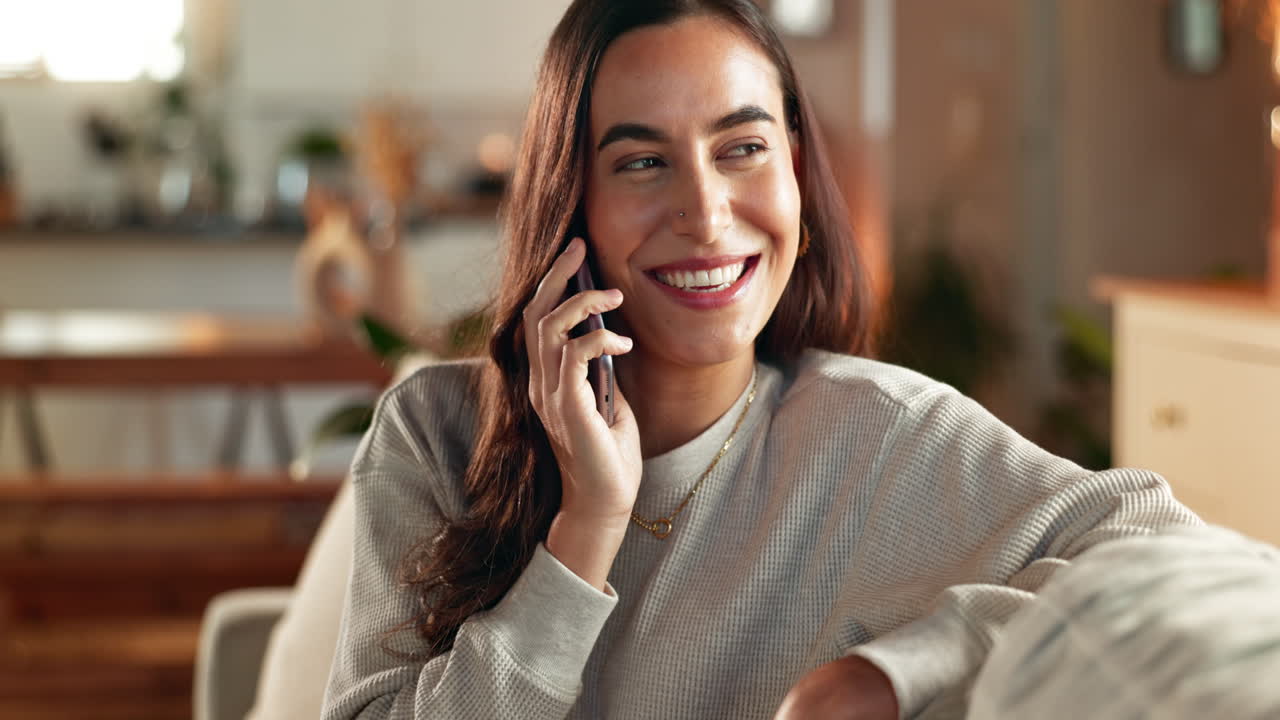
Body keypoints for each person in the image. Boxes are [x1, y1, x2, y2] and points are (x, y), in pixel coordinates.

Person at [321, 2, 1199, 718]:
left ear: (798, 180)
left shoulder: (882, 435)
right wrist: (584, 531)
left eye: (743, 148)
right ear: (570, 206)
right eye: (641, 162)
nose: (705, 213)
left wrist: (893, 674)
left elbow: (1170, 556)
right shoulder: (434, 435)